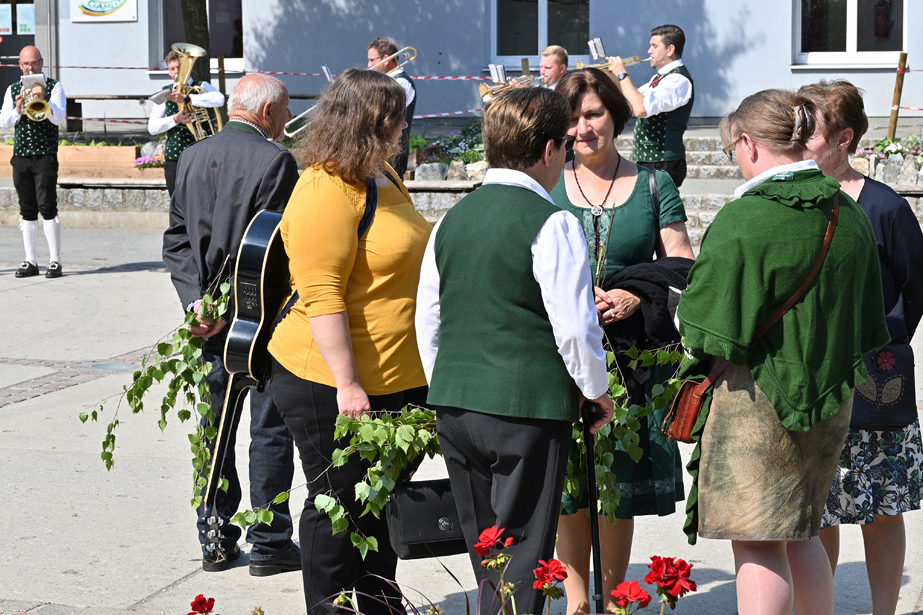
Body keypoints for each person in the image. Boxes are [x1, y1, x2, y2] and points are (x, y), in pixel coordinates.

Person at [678, 88, 889, 615]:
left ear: (748, 142)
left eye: (732, 149)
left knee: (758, 542)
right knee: (803, 530)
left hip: (756, 404)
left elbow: (704, 328)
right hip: (832, 401)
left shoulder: (747, 218)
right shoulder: (848, 212)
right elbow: (869, 319)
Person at [415, 87, 615, 615]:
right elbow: (574, 327)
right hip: (526, 406)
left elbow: (428, 319)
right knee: (524, 554)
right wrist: (595, 390)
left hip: (456, 402)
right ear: (549, 150)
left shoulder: (451, 219)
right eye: (564, 147)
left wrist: (449, 383)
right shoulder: (552, 220)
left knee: (488, 553)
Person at [267, 68, 431, 614]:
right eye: (395, 117)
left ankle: (378, 601)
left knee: (378, 501)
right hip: (330, 381)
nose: (404, 125)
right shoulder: (323, 188)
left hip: (396, 376)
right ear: (367, 121)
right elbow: (322, 294)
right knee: (337, 505)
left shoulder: (381, 174)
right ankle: (331, 608)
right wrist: (349, 383)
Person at [550, 67, 694, 615]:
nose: (583, 128)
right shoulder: (546, 183)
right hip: (561, 354)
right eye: (572, 118)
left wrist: (635, 293)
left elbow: (682, 263)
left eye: (593, 114)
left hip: (632, 357)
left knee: (616, 484)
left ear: (615, 115)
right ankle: (575, 603)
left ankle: (615, 602)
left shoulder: (655, 183)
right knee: (569, 484)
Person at [162, 73, 300, 577]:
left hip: (206, 321)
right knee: (269, 429)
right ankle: (269, 543)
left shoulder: (192, 155)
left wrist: (196, 304)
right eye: (285, 110)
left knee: (213, 427)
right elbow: (275, 251)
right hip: (261, 318)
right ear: (266, 112)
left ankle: (215, 539)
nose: (289, 119)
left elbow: (176, 239)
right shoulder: (277, 160)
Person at [799, 79, 923, 615]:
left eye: (809, 131)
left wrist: (884, 346)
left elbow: (914, 287)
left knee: (883, 506)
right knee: (818, 508)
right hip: (810, 379)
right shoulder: (793, 203)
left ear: (844, 138)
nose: (798, 139)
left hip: (877, 379)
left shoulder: (886, 208)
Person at [0, 45, 66, 279]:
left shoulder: (54, 86)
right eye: (26, 64)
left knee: (47, 207)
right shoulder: (13, 89)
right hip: (21, 156)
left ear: (41, 62)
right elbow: (3, 122)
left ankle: (55, 261)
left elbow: (59, 118)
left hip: (45, 155)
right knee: (27, 209)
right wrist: (18, 110)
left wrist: (44, 99)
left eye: (34, 63)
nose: (30, 67)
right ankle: (30, 261)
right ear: (20, 65)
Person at [607, 25, 692, 187]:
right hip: (651, 159)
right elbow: (630, 101)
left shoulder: (677, 80)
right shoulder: (659, 78)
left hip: (663, 161)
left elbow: (641, 109)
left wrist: (622, 74)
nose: (649, 51)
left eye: (654, 46)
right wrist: (613, 77)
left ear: (670, 50)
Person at [148, 48, 225, 196]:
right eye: (172, 69)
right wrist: (175, 119)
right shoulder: (165, 92)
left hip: (200, 154)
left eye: (179, 67)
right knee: (176, 201)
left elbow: (219, 99)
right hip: (174, 156)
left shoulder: (200, 86)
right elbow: (152, 128)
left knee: (202, 198)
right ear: (169, 72)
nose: (176, 72)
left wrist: (188, 99)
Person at [367, 37, 415, 178]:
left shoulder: (401, 82)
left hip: (393, 150)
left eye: (372, 60)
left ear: (386, 59)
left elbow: (383, 113)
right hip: (382, 149)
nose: (369, 65)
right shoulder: (386, 82)